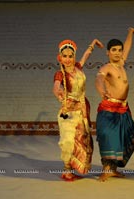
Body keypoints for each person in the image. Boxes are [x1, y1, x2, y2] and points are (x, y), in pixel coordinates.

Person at [53, 38, 104, 182]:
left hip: (82, 108)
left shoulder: (78, 68)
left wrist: (93, 43)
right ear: (60, 57)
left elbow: (86, 55)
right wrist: (59, 93)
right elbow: (56, 87)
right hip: (68, 110)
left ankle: (76, 167)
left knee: (82, 139)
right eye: (65, 56)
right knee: (68, 139)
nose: (68, 59)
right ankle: (66, 169)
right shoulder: (60, 74)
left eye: (70, 56)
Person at [95, 27, 134, 182]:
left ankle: (113, 170)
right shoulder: (106, 67)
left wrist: (130, 33)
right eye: (114, 50)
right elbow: (99, 79)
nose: (118, 52)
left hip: (123, 109)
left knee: (121, 139)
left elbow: (128, 47)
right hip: (109, 110)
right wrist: (102, 91)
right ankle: (106, 169)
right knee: (108, 138)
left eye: (119, 50)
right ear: (107, 52)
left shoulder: (121, 63)